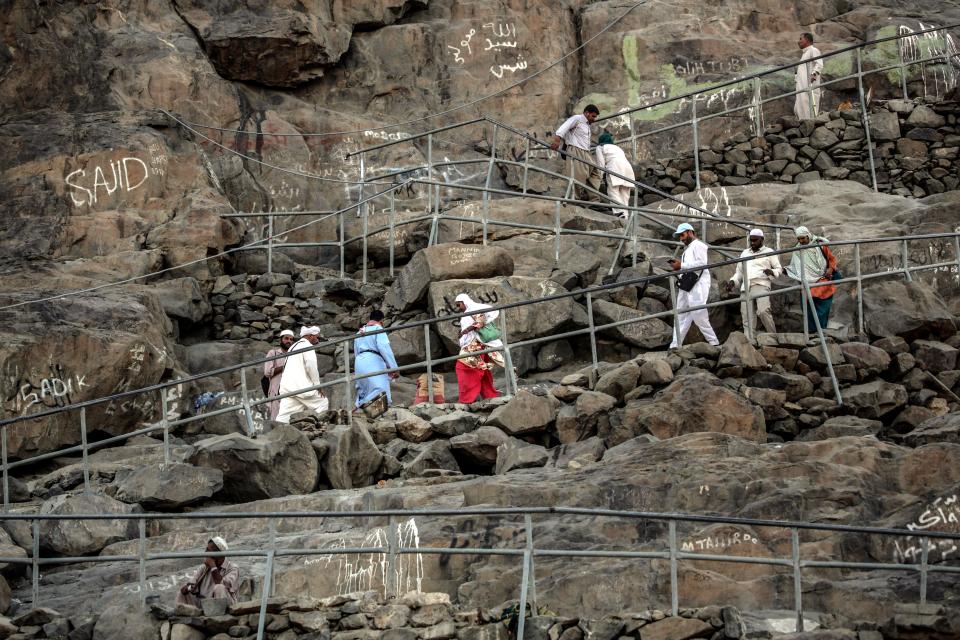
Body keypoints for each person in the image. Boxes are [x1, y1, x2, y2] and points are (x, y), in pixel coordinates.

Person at [724, 229, 783, 341]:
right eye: (751, 240)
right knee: (747, 316)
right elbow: (739, 272)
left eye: (755, 240)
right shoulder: (745, 253)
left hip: (761, 283)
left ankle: (774, 337)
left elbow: (779, 268)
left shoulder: (769, 251)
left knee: (763, 310)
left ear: (762, 239)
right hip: (745, 286)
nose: (752, 243)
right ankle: (750, 341)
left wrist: (772, 271)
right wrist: (732, 281)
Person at [668, 223, 720, 349]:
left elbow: (702, 263)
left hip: (698, 285)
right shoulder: (689, 248)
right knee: (680, 313)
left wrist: (681, 266)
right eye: (679, 236)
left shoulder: (699, 245)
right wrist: (679, 270)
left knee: (698, 314)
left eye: (683, 235)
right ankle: (675, 344)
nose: (681, 238)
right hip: (687, 284)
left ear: (690, 232)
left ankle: (714, 342)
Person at [785, 225, 838, 332]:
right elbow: (795, 267)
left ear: (808, 235)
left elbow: (831, 259)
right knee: (808, 307)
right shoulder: (797, 250)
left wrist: (831, 269)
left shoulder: (820, 245)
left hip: (823, 280)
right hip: (807, 283)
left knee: (823, 308)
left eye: (803, 238)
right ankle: (812, 332)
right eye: (799, 239)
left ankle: (822, 330)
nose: (801, 241)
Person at [453, 293, 502, 403]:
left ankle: (466, 400)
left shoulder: (475, 309)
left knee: (464, 369)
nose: (458, 308)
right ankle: (490, 396)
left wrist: (466, 330)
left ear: (464, 302)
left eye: (458, 305)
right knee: (481, 369)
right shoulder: (471, 311)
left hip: (475, 346)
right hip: (478, 345)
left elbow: (481, 320)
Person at [276, 326, 328, 424]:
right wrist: (318, 386)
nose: (318, 339)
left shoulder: (292, 347)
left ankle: (275, 433)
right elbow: (311, 366)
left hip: (287, 388)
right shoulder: (307, 345)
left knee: (284, 416)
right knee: (323, 402)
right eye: (316, 337)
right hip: (300, 386)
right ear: (310, 336)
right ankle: (316, 425)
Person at [550, 105, 602, 202]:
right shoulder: (577, 119)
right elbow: (563, 127)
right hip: (575, 150)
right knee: (578, 176)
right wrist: (557, 140)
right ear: (587, 113)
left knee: (595, 173)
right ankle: (575, 199)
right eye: (593, 116)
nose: (594, 119)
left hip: (586, 152)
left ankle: (594, 200)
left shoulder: (586, 124)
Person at [354, 310, 399, 408]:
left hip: (359, 361)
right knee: (380, 387)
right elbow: (384, 348)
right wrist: (394, 368)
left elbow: (356, 351)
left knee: (364, 389)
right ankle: (382, 411)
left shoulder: (359, 332)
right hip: (372, 360)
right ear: (382, 321)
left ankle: (362, 409)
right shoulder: (378, 329)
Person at [177, 537, 240, 606]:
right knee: (183, 593)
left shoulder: (233, 568)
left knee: (219, 588)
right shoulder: (203, 567)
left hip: (225, 604)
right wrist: (188, 587)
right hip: (205, 603)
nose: (205, 552)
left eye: (208, 550)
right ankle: (182, 613)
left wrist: (213, 566)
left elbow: (220, 583)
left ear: (217, 553)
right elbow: (191, 584)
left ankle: (220, 616)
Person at [594, 132, 636, 219]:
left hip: (614, 167)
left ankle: (619, 212)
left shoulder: (600, 147)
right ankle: (626, 215)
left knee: (613, 191)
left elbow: (601, 164)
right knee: (624, 193)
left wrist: (600, 177)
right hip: (627, 168)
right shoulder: (617, 148)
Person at [263, 329, 295, 421]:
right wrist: (284, 367)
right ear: (281, 340)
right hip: (277, 391)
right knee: (276, 419)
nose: (289, 341)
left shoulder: (294, 355)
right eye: (286, 338)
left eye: (291, 339)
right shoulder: (273, 353)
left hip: (292, 390)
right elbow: (267, 372)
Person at [795, 32, 823, 120]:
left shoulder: (813, 50)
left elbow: (819, 63)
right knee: (799, 106)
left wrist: (814, 74)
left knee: (809, 106)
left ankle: (809, 124)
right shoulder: (804, 54)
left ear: (807, 40)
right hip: (801, 87)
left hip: (810, 85)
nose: (798, 41)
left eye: (800, 39)